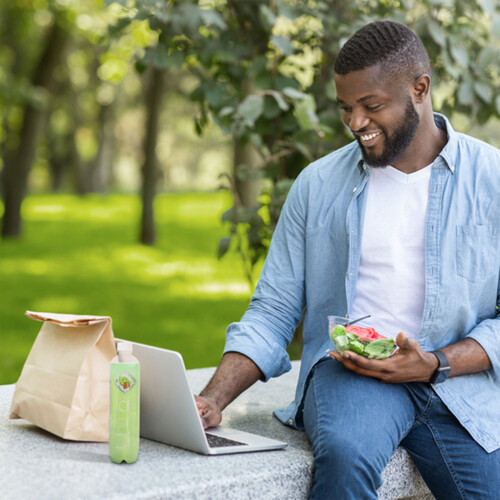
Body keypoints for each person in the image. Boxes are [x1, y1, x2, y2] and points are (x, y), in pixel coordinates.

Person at [195, 20, 500, 499]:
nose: (356, 122)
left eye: (371, 106)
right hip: (353, 371)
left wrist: (436, 362)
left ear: (420, 89)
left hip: (456, 380)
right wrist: (212, 399)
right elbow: (273, 309)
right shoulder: (317, 186)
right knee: (345, 458)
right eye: (346, 108)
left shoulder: (492, 179)